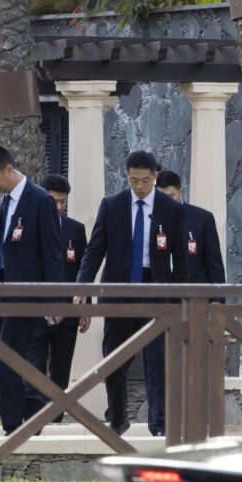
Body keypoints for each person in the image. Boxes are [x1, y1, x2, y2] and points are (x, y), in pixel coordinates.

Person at [74, 151, 187, 437]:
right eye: (134, 180)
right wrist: (83, 289)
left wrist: (183, 297)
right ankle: (118, 418)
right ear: (127, 176)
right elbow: (95, 250)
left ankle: (159, 423)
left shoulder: (170, 208)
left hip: (155, 288)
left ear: (155, 177)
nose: (140, 186)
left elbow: (181, 258)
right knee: (114, 356)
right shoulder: (112, 206)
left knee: (156, 359)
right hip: (118, 288)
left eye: (146, 181)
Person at [0, 144, 62, 433]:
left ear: (8, 169)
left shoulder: (39, 201)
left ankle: (14, 429)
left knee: (9, 361)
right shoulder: (0, 201)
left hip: (23, 294)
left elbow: (52, 253)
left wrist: (54, 300)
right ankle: (36, 407)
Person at [24, 173, 87, 422]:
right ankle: (37, 416)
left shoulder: (76, 229)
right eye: (54, 201)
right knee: (35, 365)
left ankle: (57, 418)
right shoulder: (30, 226)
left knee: (61, 367)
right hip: (37, 310)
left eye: (63, 202)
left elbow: (83, 270)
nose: (59, 207)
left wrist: (84, 307)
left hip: (68, 312)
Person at [156, 170, 225, 287]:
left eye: (171, 196)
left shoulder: (202, 218)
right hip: (161, 294)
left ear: (180, 192)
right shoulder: (151, 218)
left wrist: (218, 299)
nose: (166, 202)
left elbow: (214, 264)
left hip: (195, 293)